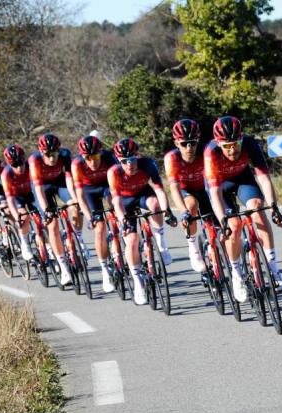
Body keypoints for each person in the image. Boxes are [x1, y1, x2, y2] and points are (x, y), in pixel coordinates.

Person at [205, 116, 282, 302]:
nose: (232, 149)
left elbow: (264, 179)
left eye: (236, 144)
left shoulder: (251, 144)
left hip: (243, 179)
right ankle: (236, 273)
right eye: (227, 146)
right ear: (219, 144)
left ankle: (274, 270)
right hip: (220, 185)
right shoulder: (211, 153)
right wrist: (222, 220)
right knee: (233, 226)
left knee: (258, 208)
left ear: (242, 138)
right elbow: (215, 193)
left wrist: (274, 208)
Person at [107, 138, 175, 305]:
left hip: (143, 194)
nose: (130, 164)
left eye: (132, 159)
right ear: (119, 161)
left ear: (138, 156)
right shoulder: (114, 172)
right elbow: (116, 201)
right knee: (131, 241)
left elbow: (159, 190)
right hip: (124, 201)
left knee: (154, 204)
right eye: (125, 161)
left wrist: (166, 212)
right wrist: (124, 221)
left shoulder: (147, 165)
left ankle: (161, 243)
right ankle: (138, 283)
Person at [30, 133, 83, 285]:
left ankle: (76, 238)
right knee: (52, 224)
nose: (52, 158)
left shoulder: (65, 154)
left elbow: (68, 178)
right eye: (48, 154)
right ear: (41, 152)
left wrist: (75, 200)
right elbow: (38, 189)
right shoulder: (34, 161)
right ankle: (63, 268)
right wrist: (46, 209)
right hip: (43, 188)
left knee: (74, 204)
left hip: (60, 183)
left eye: (55, 154)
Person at [72, 135, 117, 292]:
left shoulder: (109, 158)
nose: (93, 161)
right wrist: (90, 217)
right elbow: (80, 196)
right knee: (99, 228)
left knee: (115, 207)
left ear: (101, 152)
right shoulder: (77, 164)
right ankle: (105, 270)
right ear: (83, 157)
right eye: (88, 158)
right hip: (89, 191)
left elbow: (119, 187)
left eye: (96, 156)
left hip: (107, 186)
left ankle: (118, 238)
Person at [164, 119, 209, 273]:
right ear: (177, 143)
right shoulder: (172, 158)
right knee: (190, 206)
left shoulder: (206, 151)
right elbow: (174, 189)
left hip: (205, 189)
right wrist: (184, 213)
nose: (189, 147)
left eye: (193, 143)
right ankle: (194, 247)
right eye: (184, 144)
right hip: (186, 191)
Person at [0, 144, 35, 261]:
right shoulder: (6, 174)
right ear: (9, 164)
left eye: (20, 163)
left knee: (44, 219)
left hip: (31, 193)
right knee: (23, 217)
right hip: (16, 197)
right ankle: (24, 244)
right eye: (15, 165)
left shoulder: (31, 166)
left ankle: (48, 247)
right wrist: (17, 218)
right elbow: (9, 199)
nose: (19, 167)